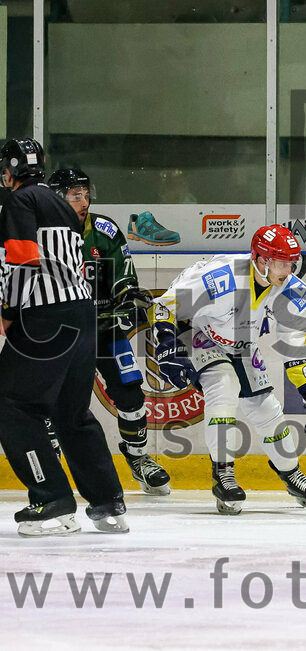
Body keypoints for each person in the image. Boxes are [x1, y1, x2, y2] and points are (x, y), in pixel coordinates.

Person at [148, 224, 306, 514]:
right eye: (281, 263)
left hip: (242, 341)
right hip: (199, 331)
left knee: (266, 408)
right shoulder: (221, 279)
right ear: (260, 259)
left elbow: (299, 350)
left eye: (291, 263)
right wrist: (167, 347)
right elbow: (164, 306)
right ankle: (223, 473)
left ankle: (291, 474)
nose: (288, 270)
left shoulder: (294, 291)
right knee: (223, 387)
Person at [0, 138, 128, 536]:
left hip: (45, 318)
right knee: (71, 412)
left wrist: (6, 310)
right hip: (81, 315)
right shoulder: (59, 204)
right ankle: (108, 503)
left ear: (13, 169)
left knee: (12, 405)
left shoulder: (21, 203)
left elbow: (22, 260)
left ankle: (51, 499)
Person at [48, 168, 171, 495]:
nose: (84, 201)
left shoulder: (103, 230)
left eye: (86, 195)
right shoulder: (40, 232)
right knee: (50, 397)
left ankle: (138, 457)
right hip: (59, 333)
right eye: (76, 196)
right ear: (58, 196)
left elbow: (121, 271)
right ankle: (49, 466)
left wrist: (127, 292)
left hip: (105, 328)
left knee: (130, 391)